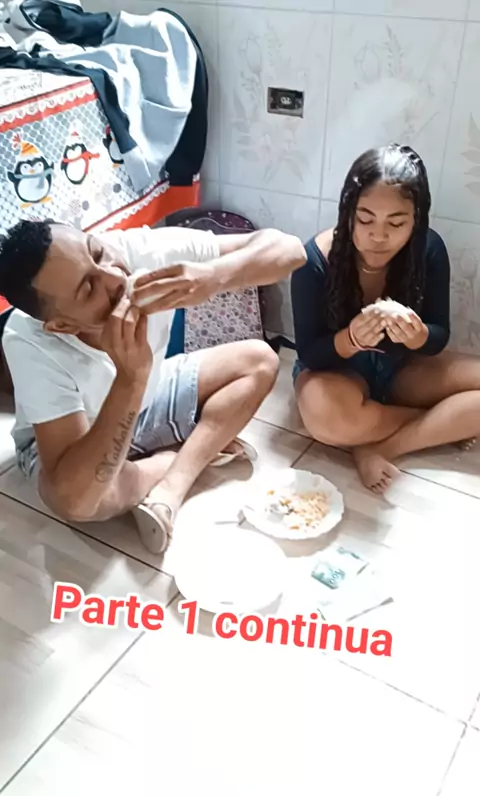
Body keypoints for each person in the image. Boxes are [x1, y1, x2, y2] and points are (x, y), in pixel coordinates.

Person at [0, 219, 306, 552]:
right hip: (78, 436)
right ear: (62, 325)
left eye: (98, 252)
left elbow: (290, 249)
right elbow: (72, 497)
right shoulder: (28, 340)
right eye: (89, 289)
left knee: (259, 361)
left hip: (148, 395)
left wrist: (214, 276)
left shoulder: (141, 251)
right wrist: (131, 378)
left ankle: (172, 485)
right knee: (83, 502)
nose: (115, 277)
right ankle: (177, 456)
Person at [291, 143, 480, 494]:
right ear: (348, 213)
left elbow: (439, 335)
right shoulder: (313, 261)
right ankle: (443, 422)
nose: (378, 236)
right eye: (365, 219)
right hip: (337, 373)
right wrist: (351, 339)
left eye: (396, 223)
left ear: (416, 220)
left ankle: (380, 446)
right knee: (326, 419)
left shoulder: (429, 250)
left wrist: (418, 335)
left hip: (402, 366)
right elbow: (310, 353)